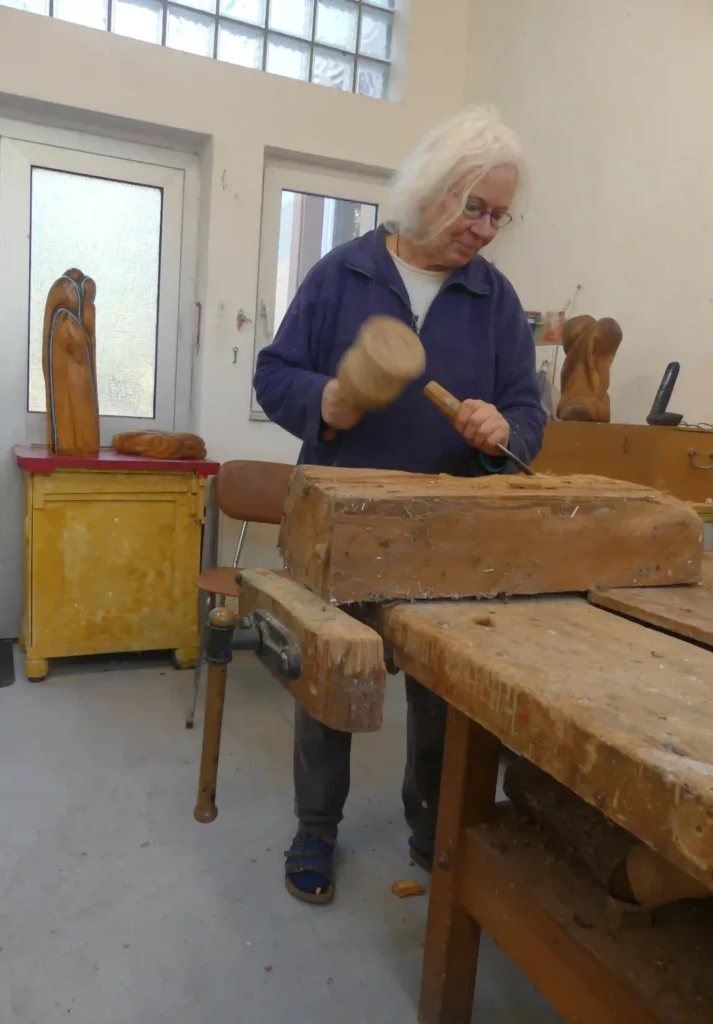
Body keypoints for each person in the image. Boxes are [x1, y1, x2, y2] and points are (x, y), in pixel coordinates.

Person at [254, 106, 546, 904]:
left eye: (498, 213)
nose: (485, 229)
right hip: (340, 528)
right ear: (430, 192)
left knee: (441, 699)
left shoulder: (495, 298)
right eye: (472, 208)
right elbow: (274, 374)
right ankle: (316, 828)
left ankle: (432, 829)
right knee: (332, 682)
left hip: (446, 537)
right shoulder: (342, 273)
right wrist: (330, 402)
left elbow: (529, 415)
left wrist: (502, 427)